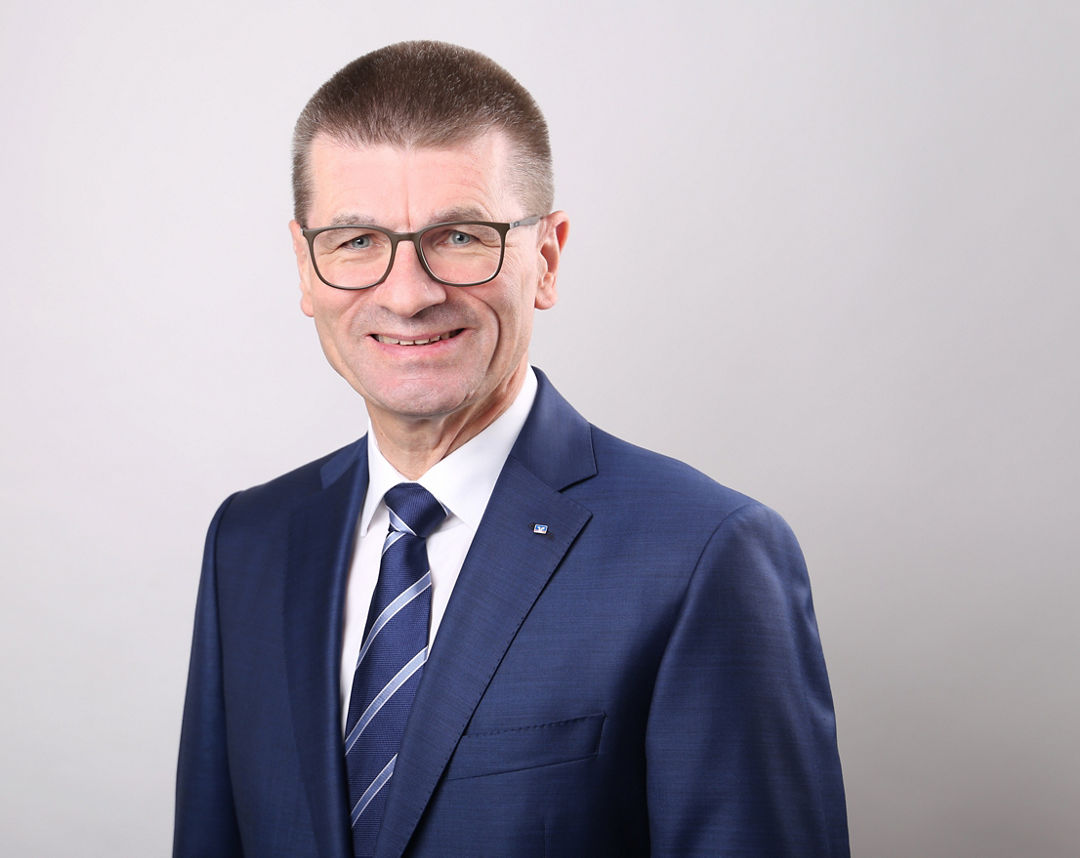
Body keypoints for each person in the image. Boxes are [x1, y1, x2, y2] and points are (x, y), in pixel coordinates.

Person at [173, 40, 849, 858]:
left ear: (547, 259)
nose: (408, 293)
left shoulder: (703, 556)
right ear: (306, 268)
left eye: (460, 236)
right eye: (356, 241)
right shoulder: (250, 543)